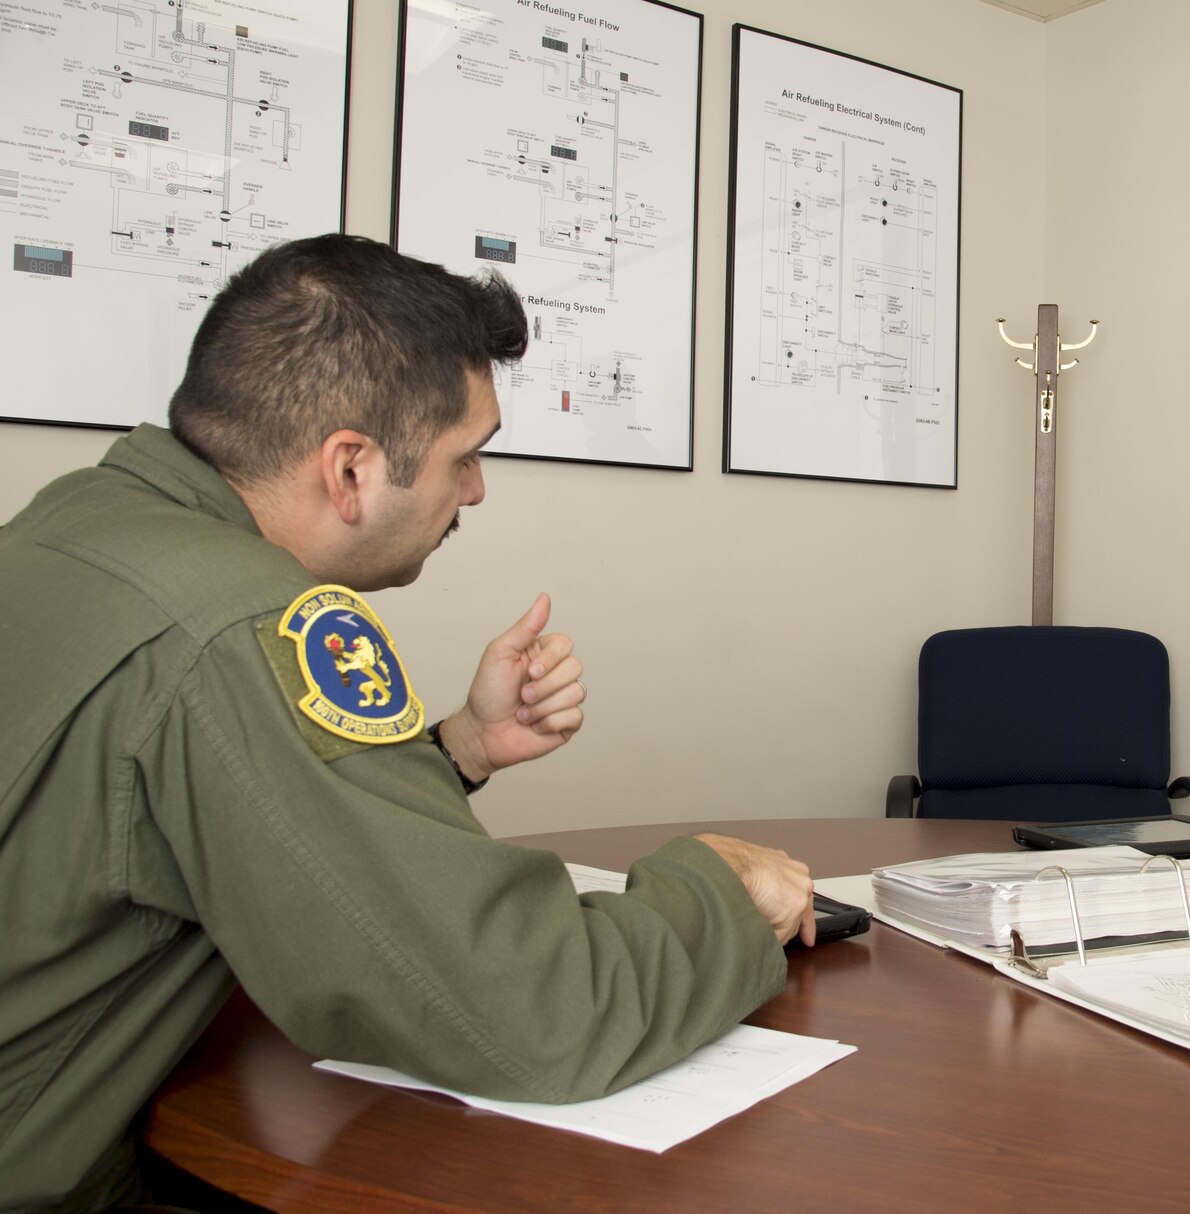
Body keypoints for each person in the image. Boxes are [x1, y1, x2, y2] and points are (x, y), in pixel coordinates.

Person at [0, 234, 817, 1214]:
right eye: (463, 457)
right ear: (351, 468)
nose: (473, 490)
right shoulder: (245, 624)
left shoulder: (80, 520)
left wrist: (462, 745)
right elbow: (529, 1012)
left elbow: (185, 817)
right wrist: (722, 890)